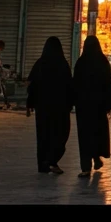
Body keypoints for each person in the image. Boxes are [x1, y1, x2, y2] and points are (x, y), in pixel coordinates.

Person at [26, 36, 73, 175]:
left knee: (43, 135)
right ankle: (52, 160)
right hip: (60, 107)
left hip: (43, 108)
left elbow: (31, 84)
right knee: (60, 133)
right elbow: (69, 85)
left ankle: (43, 164)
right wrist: (71, 103)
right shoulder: (62, 64)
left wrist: (30, 103)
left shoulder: (40, 63)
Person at [73, 34, 111, 177]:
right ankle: (97, 157)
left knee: (85, 135)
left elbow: (75, 84)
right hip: (99, 106)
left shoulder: (81, 62)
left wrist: (73, 101)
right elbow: (108, 83)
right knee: (98, 133)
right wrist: (110, 104)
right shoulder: (102, 61)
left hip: (83, 106)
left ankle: (86, 167)